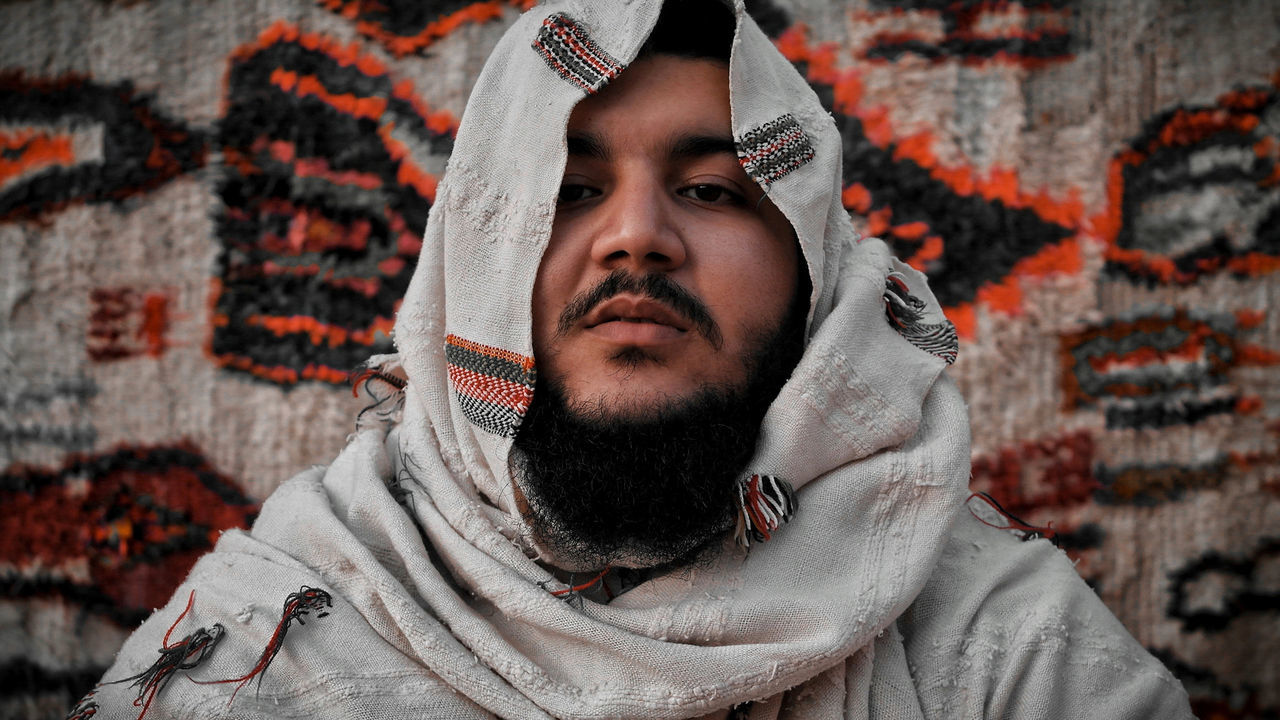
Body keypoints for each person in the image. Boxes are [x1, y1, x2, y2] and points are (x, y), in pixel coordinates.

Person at [79, 1, 1195, 718]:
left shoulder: (993, 638)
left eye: (710, 190)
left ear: (810, 269)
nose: (633, 236)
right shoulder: (282, 637)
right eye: (565, 193)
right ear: (478, 248)